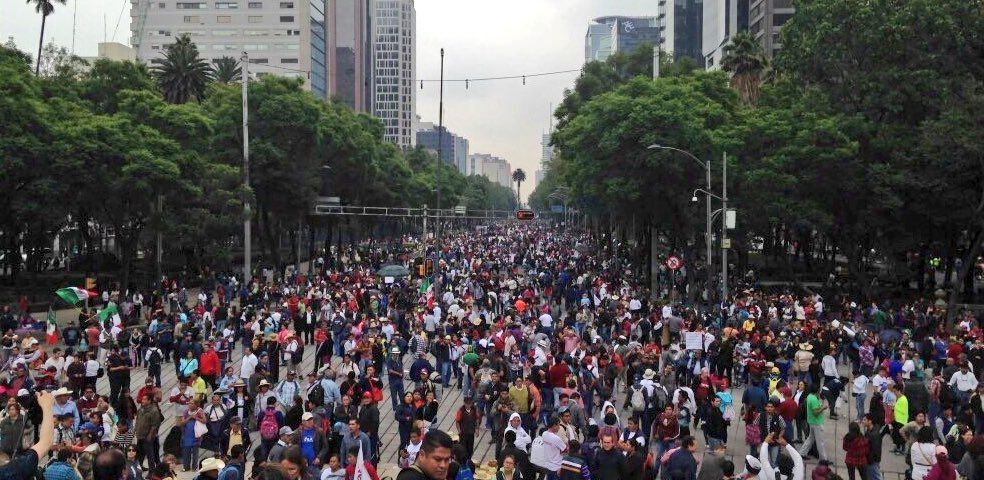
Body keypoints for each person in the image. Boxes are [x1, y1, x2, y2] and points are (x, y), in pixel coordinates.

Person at [0, 391, 54, 480]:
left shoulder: (23, 419)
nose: (11, 411)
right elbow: (46, 442)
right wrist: (47, 407)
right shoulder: (9, 472)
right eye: (10, 409)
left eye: (13, 409)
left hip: (20, 449)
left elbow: (30, 429)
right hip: (8, 450)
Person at [797, 384, 827, 461]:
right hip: (817, 422)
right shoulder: (814, 399)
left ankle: (802, 453)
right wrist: (823, 408)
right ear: (817, 391)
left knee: (810, 439)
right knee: (820, 442)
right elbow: (815, 413)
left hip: (811, 421)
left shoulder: (809, 396)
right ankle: (823, 459)